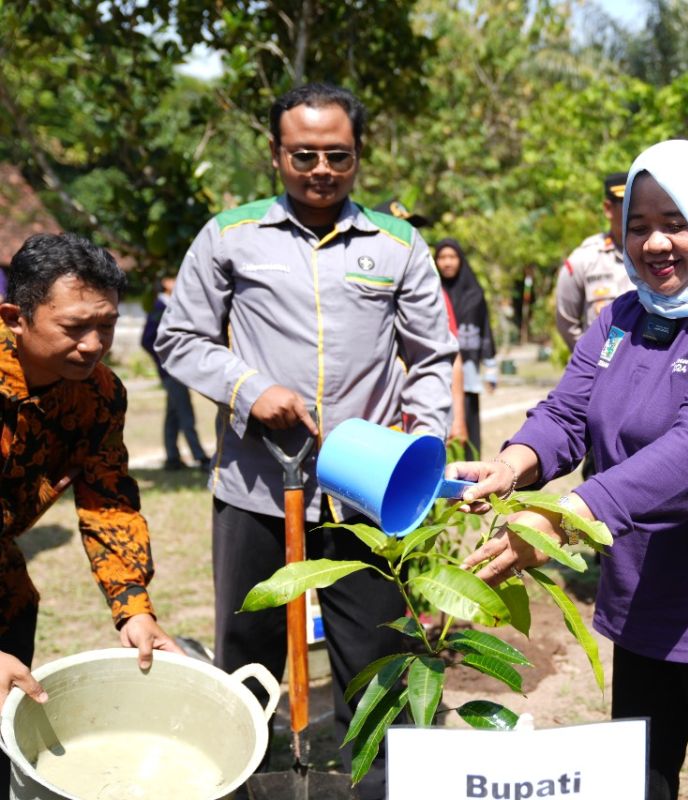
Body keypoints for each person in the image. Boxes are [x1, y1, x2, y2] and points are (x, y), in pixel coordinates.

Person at [449, 140, 688, 800]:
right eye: (637, 226)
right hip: (643, 584)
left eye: (675, 223)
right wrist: (513, 464)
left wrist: (561, 517)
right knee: (638, 776)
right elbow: (568, 410)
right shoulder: (623, 314)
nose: (654, 244)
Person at [155, 83, 457, 798]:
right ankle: (245, 780)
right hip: (257, 488)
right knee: (250, 655)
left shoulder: (398, 244)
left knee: (379, 657)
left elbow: (432, 357)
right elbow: (181, 336)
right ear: (275, 154)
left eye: (338, 156)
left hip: (367, 493)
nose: (321, 169)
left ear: (359, 157)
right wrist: (248, 388)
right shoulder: (229, 235)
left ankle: (383, 786)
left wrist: (423, 438)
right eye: (304, 155)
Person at [0, 233, 182, 795]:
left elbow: (108, 499)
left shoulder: (98, 393)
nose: (94, 343)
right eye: (75, 326)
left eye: (105, 324)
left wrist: (133, 609)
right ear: (15, 317)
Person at [373, 200, 471, 448]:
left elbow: (447, 354)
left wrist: (457, 418)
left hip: (414, 423)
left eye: (411, 229)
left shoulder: (429, 289)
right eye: (398, 229)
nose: (407, 238)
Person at [554, 172, 635, 350]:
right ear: (608, 208)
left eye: (637, 203)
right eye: (625, 203)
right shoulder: (584, 259)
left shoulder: (659, 256)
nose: (634, 210)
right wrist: (589, 359)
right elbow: (566, 322)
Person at [433, 238, 496, 458]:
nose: (447, 263)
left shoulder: (474, 294)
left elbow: (485, 328)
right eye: (442, 257)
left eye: (452, 257)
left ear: (460, 260)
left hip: (466, 374)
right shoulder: (430, 290)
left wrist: (490, 368)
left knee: (467, 431)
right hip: (438, 373)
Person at [140, 274, 210, 471]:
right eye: (174, 278)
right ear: (165, 282)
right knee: (185, 413)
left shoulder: (172, 305)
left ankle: (172, 457)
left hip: (177, 369)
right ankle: (200, 456)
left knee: (173, 414)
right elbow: (146, 339)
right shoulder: (159, 307)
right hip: (172, 370)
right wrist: (166, 359)